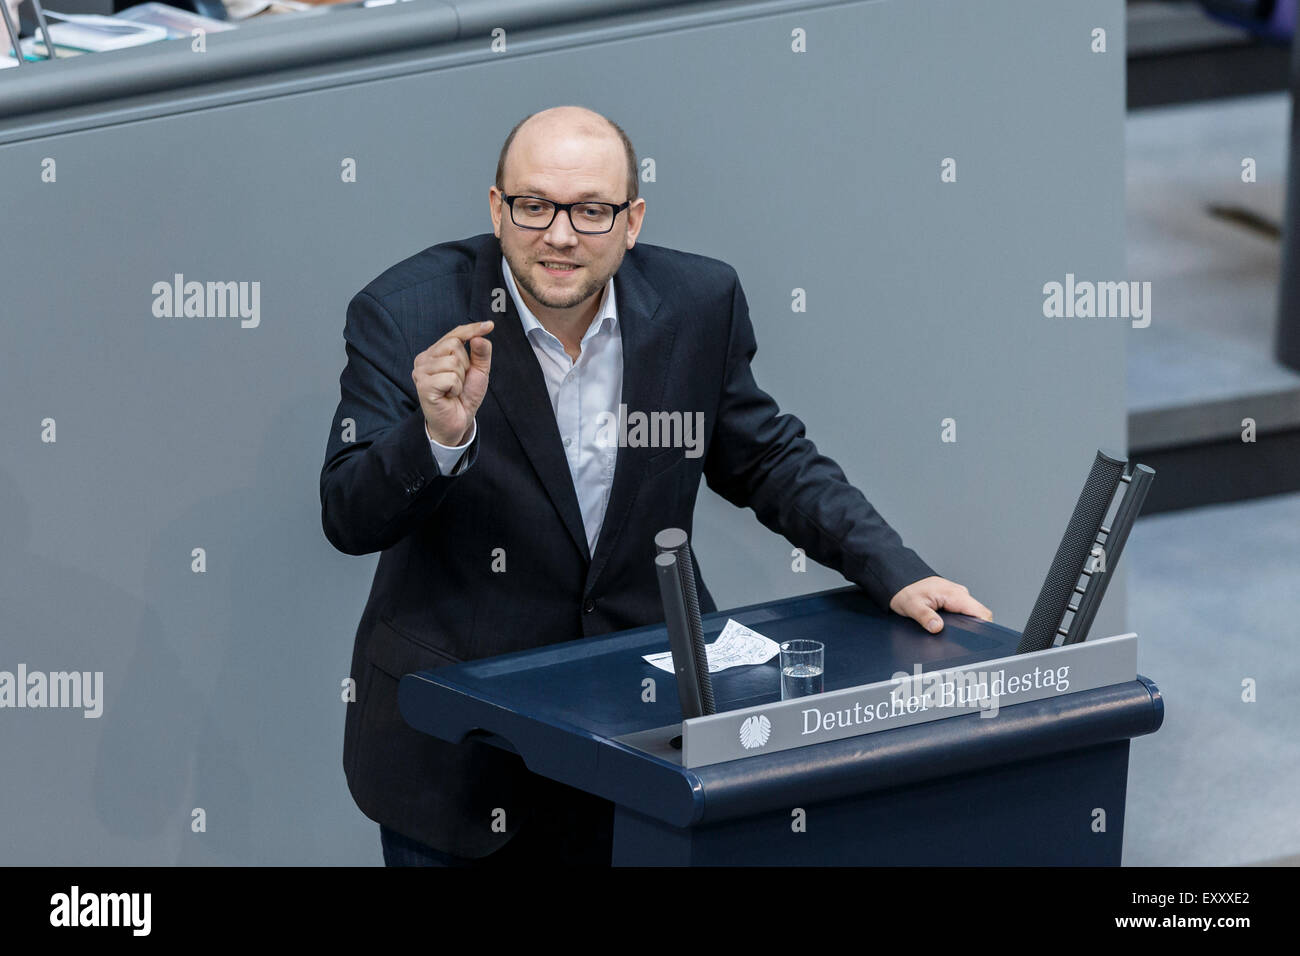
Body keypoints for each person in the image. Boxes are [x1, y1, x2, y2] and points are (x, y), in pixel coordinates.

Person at [320, 105, 994, 867]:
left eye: (592, 211)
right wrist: (437, 435)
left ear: (632, 219)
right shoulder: (410, 312)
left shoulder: (696, 303)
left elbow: (766, 458)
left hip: (644, 737)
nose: (561, 235)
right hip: (461, 751)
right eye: (534, 206)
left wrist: (893, 570)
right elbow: (348, 514)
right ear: (495, 210)